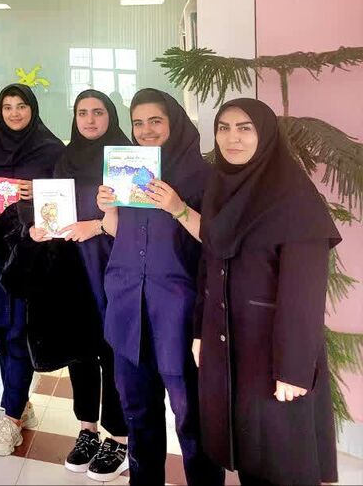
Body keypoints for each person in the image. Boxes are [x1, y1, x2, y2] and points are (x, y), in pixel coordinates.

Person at [195, 99, 340, 486]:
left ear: (265, 134)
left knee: (282, 457)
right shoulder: (220, 189)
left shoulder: (294, 199)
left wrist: (292, 370)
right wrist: (199, 331)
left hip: (274, 352)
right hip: (230, 345)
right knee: (249, 450)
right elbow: (209, 264)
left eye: (245, 128)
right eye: (223, 128)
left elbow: (304, 294)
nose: (232, 138)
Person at [96, 89, 223, 485]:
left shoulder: (203, 176)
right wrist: (109, 210)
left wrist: (177, 207)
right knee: (137, 412)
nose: (146, 130)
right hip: (127, 308)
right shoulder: (127, 171)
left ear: (174, 123)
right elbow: (116, 233)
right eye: (138, 123)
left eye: (155, 121)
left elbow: (218, 242)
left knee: (191, 416)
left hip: (178, 313)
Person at [34, 90, 130, 480]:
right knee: (81, 351)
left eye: (98, 112)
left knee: (114, 352)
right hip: (72, 266)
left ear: (111, 116)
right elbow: (55, 210)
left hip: (114, 266)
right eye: (82, 113)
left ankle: (119, 436)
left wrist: (98, 225)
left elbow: (140, 216)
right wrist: (43, 228)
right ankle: (87, 429)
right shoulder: (65, 158)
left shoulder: (125, 157)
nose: (90, 119)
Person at [0, 84, 64, 456]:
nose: (13, 113)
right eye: (7, 106)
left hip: (29, 251)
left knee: (19, 333)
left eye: (21, 105)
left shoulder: (50, 148)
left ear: (33, 108)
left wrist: (38, 192)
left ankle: (10, 418)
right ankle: (20, 401)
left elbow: (65, 196)